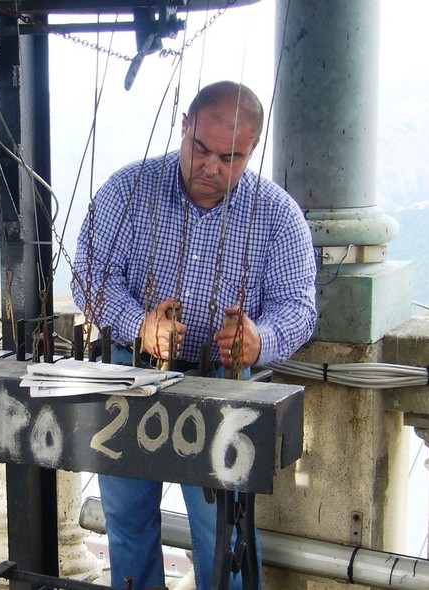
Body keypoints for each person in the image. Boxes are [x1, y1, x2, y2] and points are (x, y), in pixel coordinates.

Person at [71, 80, 317, 590]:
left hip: (224, 383)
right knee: (128, 517)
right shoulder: (128, 188)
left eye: (230, 157)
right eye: (200, 149)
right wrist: (141, 323)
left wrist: (257, 338)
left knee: (224, 527)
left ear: (252, 151)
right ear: (183, 127)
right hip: (129, 372)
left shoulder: (276, 213)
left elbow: (297, 308)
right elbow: (89, 274)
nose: (210, 167)